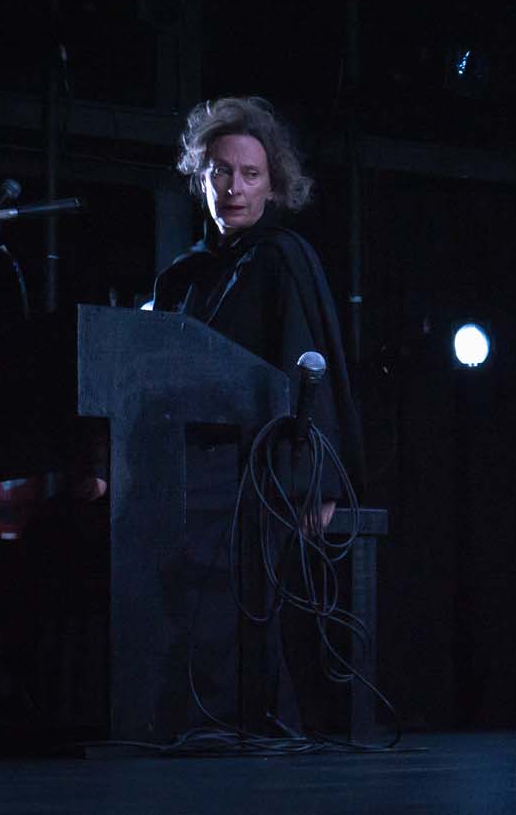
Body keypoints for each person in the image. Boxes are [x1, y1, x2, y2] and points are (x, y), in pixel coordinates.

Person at [152, 96, 365, 735]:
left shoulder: (281, 257)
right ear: (201, 176)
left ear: (273, 186)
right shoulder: (185, 276)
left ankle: (248, 723)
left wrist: (314, 484)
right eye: (221, 171)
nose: (234, 188)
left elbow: (307, 368)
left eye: (250, 175)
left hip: (256, 472)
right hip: (185, 470)